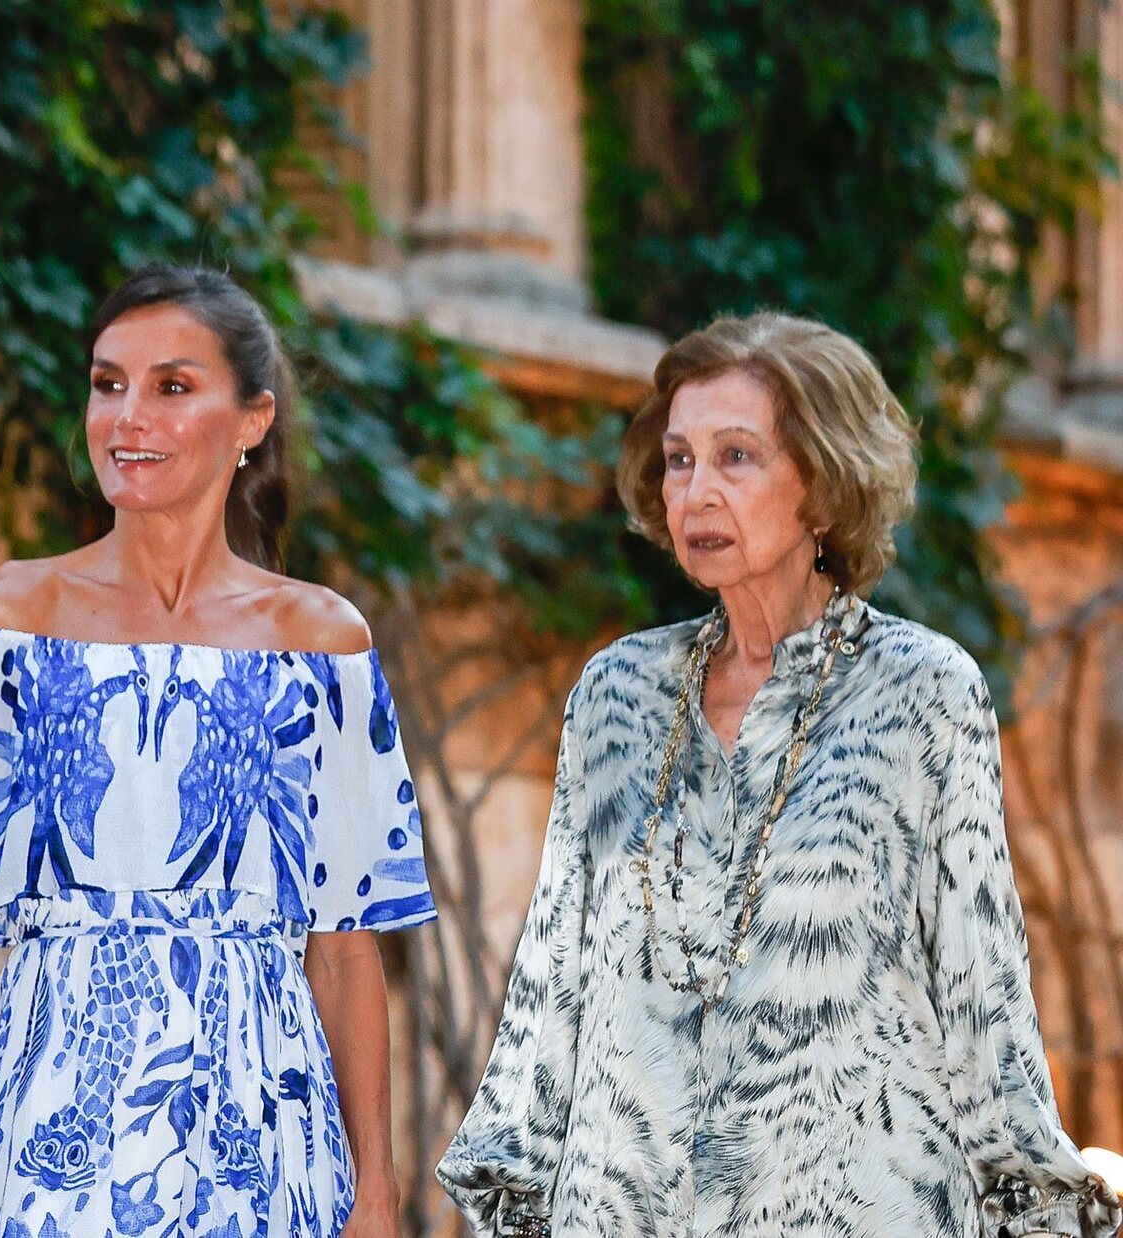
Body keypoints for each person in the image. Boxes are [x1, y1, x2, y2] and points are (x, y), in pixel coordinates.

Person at [437, 311, 1123, 1236]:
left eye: (736, 457)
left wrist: (1033, 1211)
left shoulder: (923, 692)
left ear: (825, 488)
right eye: (679, 460)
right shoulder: (618, 693)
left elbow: (980, 993)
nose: (696, 491)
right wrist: (512, 1202)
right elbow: (554, 978)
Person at [0, 264, 437, 1238]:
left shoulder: (323, 642)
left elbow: (343, 950)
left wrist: (374, 1193)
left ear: (251, 418)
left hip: (265, 1130)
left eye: (171, 386)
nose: (127, 416)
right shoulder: (0, 623)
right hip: (52, 1125)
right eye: (105, 382)